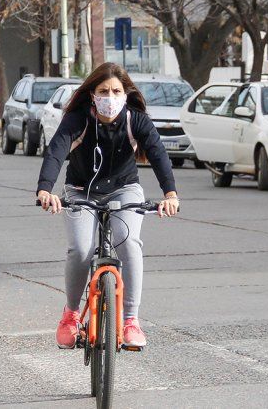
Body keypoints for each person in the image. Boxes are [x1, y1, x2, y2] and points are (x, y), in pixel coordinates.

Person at [36, 62, 179, 349]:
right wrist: (45, 190)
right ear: (92, 94)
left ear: (126, 94)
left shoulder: (135, 120)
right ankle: (71, 315)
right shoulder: (78, 119)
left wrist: (171, 194)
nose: (110, 97)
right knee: (81, 248)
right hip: (80, 191)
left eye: (116, 91)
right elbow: (56, 151)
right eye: (103, 91)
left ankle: (130, 320)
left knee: (129, 244)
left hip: (125, 189)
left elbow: (158, 153)